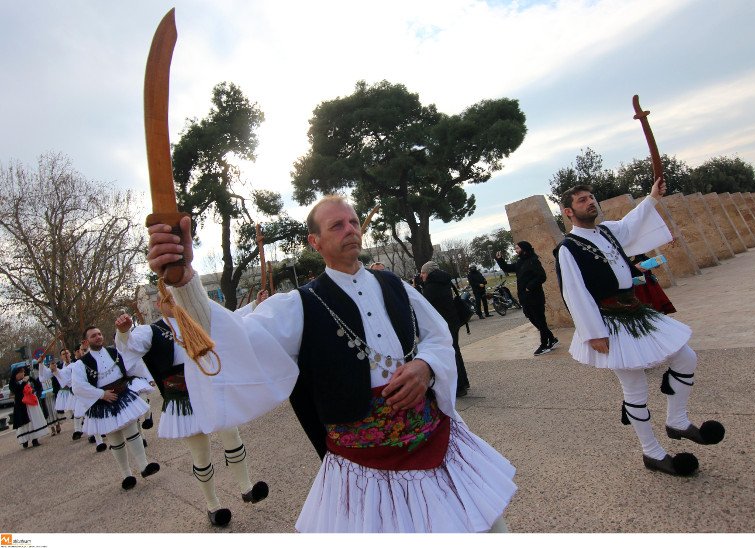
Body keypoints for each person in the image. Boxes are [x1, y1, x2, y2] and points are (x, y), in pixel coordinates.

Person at [147, 195, 516, 533]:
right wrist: (185, 282)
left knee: (487, 527)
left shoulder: (395, 285)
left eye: (353, 222)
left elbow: (437, 336)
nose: (350, 230)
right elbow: (234, 342)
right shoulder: (299, 305)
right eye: (337, 225)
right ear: (315, 242)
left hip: (434, 438)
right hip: (364, 468)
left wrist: (425, 367)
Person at [554, 180, 725, 476]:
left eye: (591, 197)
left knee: (686, 357)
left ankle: (678, 421)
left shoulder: (607, 230)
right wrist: (593, 333)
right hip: (608, 321)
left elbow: (631, 224)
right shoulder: (568, 248)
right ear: (568, 212)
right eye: (582, 200)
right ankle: (652, 453)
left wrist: (651, 197)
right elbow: (574, 291)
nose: (590, 202)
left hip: (635, 309)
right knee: (634, 387)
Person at [114, 297, 269, 527]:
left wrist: (256, 304)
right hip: (182, 398)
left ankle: (247, 488)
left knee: (232, 435)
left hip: (209, 389)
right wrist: (124, 333)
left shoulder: (198, 318)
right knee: (201, 451)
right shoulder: (152, 330)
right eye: (168, 298)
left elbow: (230, 318)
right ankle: (213, 505)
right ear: (159, 304)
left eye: (178, 295)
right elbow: (131, 346)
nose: (176, 301)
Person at [71, 326, 161, 490]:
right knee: (115, 439)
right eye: (93, 336)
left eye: (99, 334)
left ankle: (144, 466)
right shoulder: (80, 364)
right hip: (103, 402)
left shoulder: (114, 352)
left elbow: (133, 366)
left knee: (132, 431)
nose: (98, 337)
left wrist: (147, 379)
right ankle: (126, 474)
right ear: (86, 342)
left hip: (122, 395)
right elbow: (78, 387)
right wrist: (100, 394)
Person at [496, 242, 558, 356]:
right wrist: (500, 260)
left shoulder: (533, 260)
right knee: (533, 319)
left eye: (517, 248)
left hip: (535, 297)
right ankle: (552, 338)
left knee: (540, 321)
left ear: (524, 249)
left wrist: (530, 286)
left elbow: (542, 276)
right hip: (525, 299)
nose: (515, 250)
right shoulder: (520, 261)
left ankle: (544, 345)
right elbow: (507, 268)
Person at [420, 261, 471, 397]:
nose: (421, 276)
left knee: (450, 354)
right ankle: (464, 382)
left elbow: (425, 305)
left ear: (429, 273)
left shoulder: (431, 286)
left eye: (423, 273)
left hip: (444, 324)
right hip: (453, 321)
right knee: (456, 351)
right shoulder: (444, 281)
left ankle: (459, 387)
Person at [9, 363, 49, 449]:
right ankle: (25, 440)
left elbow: (38, 385)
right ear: (16, 374)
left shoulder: (28, 378)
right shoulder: (12, 383)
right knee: (24, 423)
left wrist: (37, 394)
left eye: (23, 372)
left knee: (33, 421)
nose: (23, 374)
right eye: (20, 372)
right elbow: (17, 391)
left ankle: (35, 439)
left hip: (31, 405)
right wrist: (23, 382)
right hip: (21, 406)